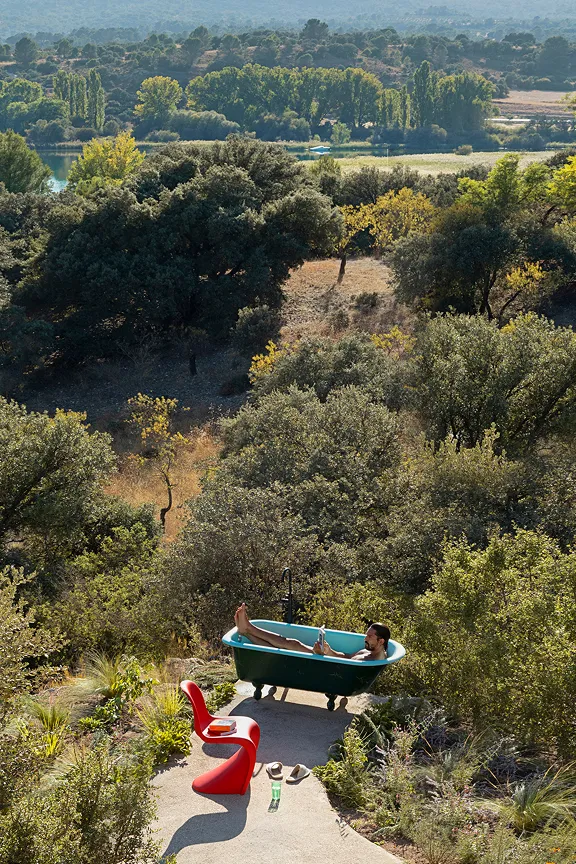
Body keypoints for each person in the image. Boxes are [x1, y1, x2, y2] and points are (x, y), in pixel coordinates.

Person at [234, 603, 389, 661]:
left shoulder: (376, 659)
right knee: (282, 647)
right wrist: (328, 650)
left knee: (289, 643)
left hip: (325, 666)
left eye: (369, 636)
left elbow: (347, 665)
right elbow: (346, 657)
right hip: (326, 659)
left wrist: (325, 654)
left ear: (381, 641)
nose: (365, 638)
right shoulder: (368, 651)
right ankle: (246, 631)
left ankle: (248, 628)